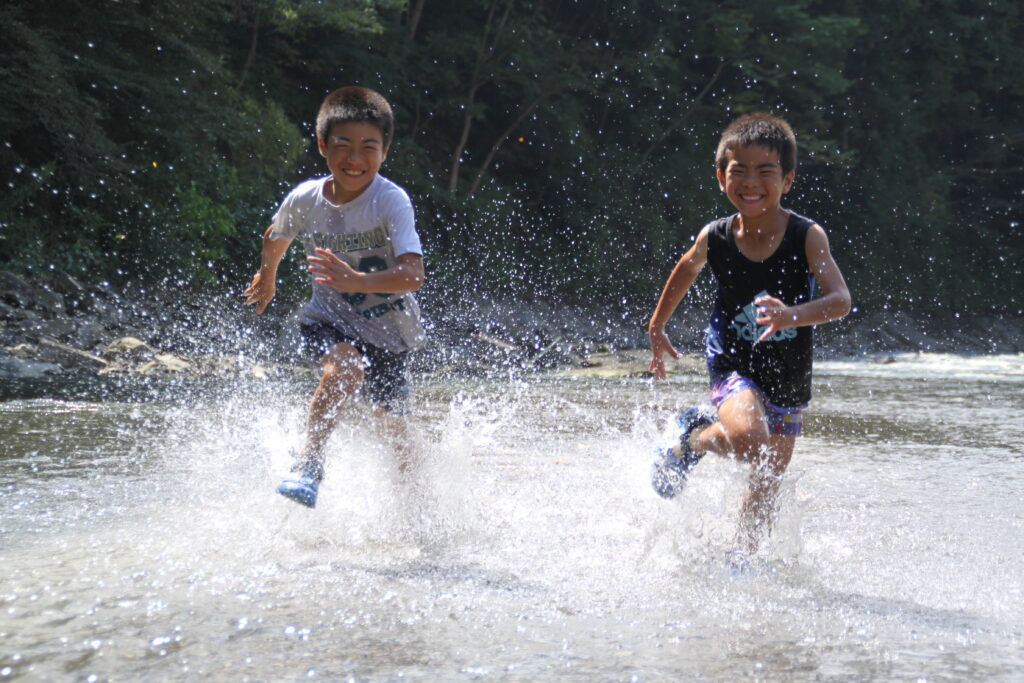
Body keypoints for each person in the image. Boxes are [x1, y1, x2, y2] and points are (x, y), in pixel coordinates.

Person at [647, 112, 851, 553]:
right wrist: (657, 324)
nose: (751, 182)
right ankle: (697, 438)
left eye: (766, 171)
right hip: (733, 362)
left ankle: (742, 559)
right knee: (751, 444)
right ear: (721, 177)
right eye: (739, 171)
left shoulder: (807, 236)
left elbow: (840, 301)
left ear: (788, 179)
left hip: (789, 372)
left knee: (767, 477)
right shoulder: (716, 236)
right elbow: (687, 267)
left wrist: (790, 315)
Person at [243, 86, 426, 509]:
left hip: (391, 334)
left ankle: (421, 513)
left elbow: (413, 274)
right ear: (323, 145)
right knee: (343, 367)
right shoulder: (306, 199)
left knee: (395, 432)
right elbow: (275, 235)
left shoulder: (391, 200)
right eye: (343, 145)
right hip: (329, 318)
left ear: (385, 151)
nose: (355, 159)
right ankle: (309, 461)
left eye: (369, 147)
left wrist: (353, 279)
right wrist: (267, 275)